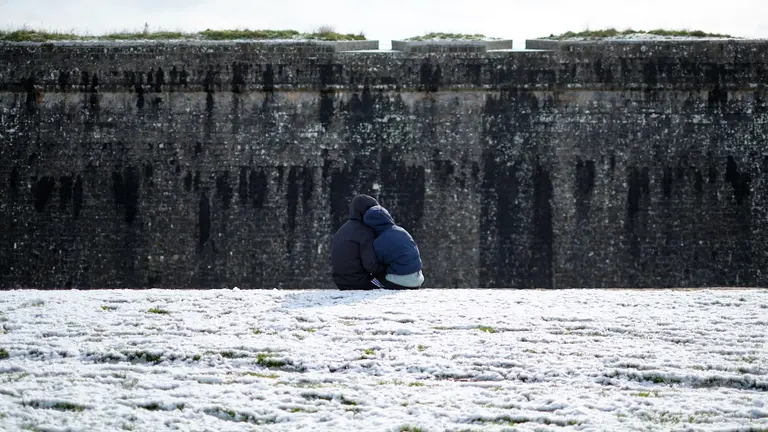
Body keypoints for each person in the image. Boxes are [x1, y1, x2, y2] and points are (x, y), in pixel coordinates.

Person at [330, 194, 387, 290]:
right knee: (389, 287)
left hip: (340, 281)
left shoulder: (342, 229)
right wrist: (388, 267)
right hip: (359, 281)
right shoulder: (366, 232)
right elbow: (372, 266)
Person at [362, 205, 424, 289]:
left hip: (400, 282)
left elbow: (376, 266)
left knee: (370, 279)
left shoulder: (379, 241)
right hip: (417, 279)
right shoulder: (402, 231)